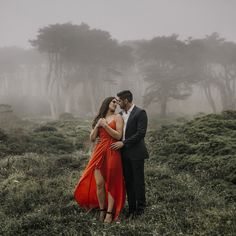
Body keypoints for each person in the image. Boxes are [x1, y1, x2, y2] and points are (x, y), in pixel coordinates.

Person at [74, 97, 125, 223]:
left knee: (112, 183)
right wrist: (98, 124)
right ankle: (102, 209)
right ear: (107, 103)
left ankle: (109, 213)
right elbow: (92, 138)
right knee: (99, 183)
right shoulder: (99, 119)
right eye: (114, 101)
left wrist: (105, 126)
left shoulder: (118, 117)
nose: (116, 104)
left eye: (117, 102)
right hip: (99, 151)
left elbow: (118, 136)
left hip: (112, 151)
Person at [111, 90, 149, 219]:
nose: (118, 103)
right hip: (123, 154)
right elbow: (116, 132)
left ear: (126, 100)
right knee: (128, 181)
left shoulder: (140, 113)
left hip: (137, 153)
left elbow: (140, 134)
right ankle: (131, 209)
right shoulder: (120, 114)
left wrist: (124, 143)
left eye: (120, 100)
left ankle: (141, 209)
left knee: (138, 181)